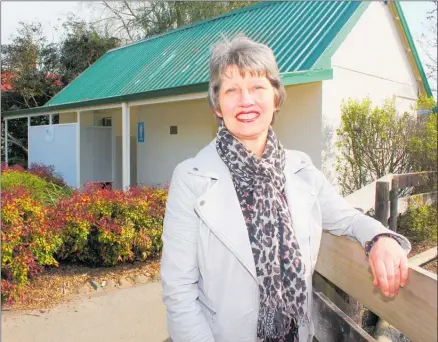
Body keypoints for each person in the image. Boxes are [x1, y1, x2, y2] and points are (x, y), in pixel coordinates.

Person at [160, 35, 411, 342]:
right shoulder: (191, 178)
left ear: (275, 98)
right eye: (232, 90)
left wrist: (380, 238)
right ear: (217, 104)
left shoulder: (301, 170)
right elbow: (178, 290)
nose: (246, 100)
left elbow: (348, 219)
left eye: (257, 87)